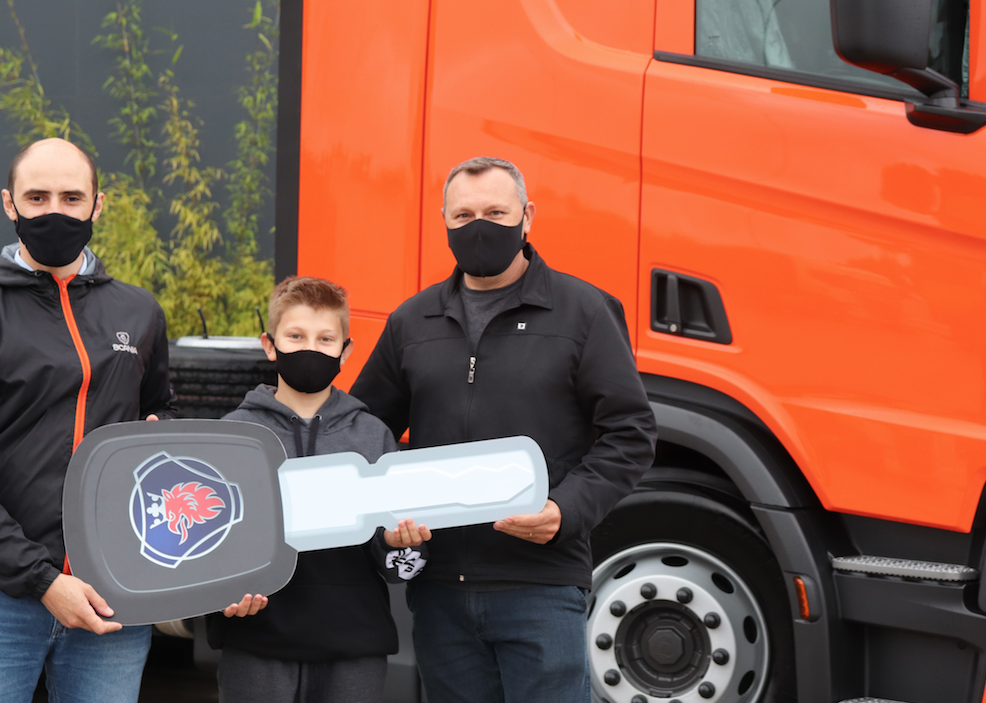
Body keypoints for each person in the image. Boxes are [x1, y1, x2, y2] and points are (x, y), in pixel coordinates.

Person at [351, 156, 657, 703]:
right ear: (444, 221)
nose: (480, 228)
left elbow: (630, 432)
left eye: (496, 212)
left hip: (541, 586)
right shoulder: (411, 322)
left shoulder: (583, 311)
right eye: (463, 215)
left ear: (527, 216)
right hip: (440, 590)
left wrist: (566, 510)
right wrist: (387, 515)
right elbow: (362, 434)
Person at [0, 137, 175, 703]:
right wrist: (44, 581)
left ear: (97, 206)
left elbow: (162, 416)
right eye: (37, 198)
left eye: (71, 198)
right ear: (9, 204)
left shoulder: (140, 313)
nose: (54, 212)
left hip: (113, 593)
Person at [207, 276, 431, 703]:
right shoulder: (233, 434)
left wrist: (402, 544)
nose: (310, 349)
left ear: (345, 351)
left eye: (325, 339)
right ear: (270, 345)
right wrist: (222, 596)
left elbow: (395, 566)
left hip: (354, 647)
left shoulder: (373, 436)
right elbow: (211, 543)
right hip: (255, 643)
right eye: (295, 336)